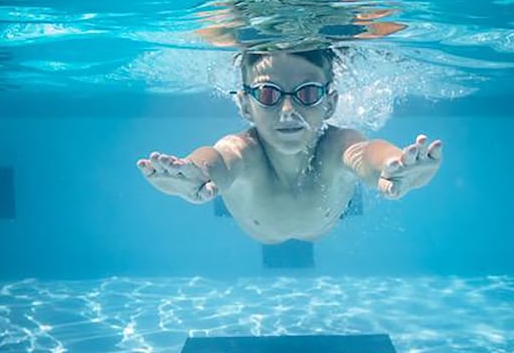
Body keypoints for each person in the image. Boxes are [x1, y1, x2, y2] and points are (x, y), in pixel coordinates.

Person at [136, 47, 443, 244]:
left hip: (319, 227)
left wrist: (393, 164)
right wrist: (195, 172)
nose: (287, 111)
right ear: (244, 105)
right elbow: (217, 159)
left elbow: (363, 154)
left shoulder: (336, 143)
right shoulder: (245, 150)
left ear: (330, 104)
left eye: (307, 93)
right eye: (268, 94)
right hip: (266, 231)